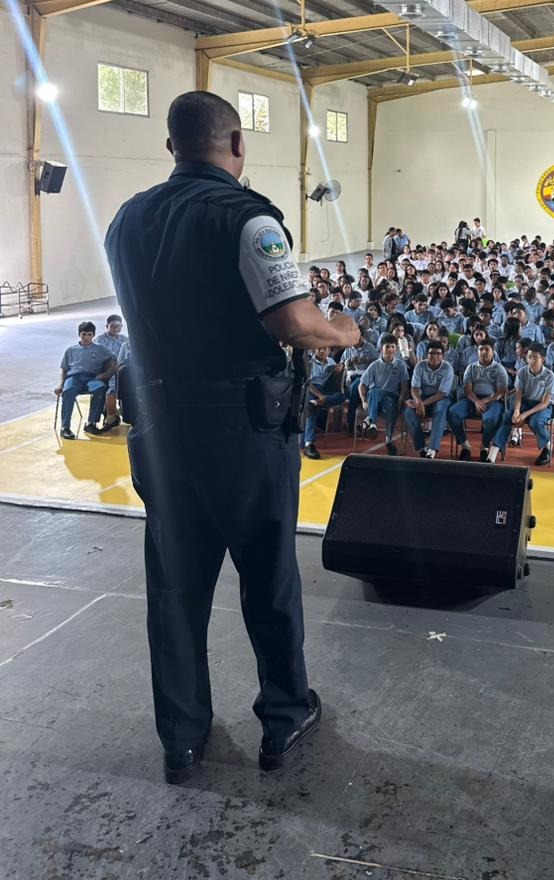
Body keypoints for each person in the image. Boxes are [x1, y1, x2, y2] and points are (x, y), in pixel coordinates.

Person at [104, 91, 361, 784]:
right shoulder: (250, 219)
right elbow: (295, 324)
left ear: (172, 147)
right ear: (238, 144)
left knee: (175, 589)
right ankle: (284, 715)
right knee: (267, 577)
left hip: (160, 430)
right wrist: (342, 330)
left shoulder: (126, 219)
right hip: (241, 430)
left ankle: (182, 739)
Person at [488, 342, 554, 466]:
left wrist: (524, 415)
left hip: (543, 406)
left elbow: (545, 403)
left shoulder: (549, 376)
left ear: (543, 359)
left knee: (535, 422)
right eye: (529, 357)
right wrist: (517, 411)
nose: (531, 360)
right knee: (508, 417)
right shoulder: (522, 372)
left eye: (535, 358)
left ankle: (548, 447)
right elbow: (518, 395)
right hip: (526, 402)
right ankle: (493, 453)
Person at [447, 340, 509, 461]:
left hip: (492, 401)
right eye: (481, 349)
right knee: (452, 412)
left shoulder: (499, 368)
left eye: (487, 349)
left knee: (492, 419)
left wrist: (485, 400)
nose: (483, 352)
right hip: (472, 399)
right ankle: (465, 446)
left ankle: (484, 446)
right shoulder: (471, 368)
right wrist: (476, 401)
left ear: (493, 352)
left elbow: (501, 392)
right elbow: (467, 390)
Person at [54, 321, 116, 439]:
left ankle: (91, 423)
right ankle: (65, 427)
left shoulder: (100, 349)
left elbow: (115, 360)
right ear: (79, 334)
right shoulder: (70, 351)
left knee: (101, 388)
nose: (86, 337)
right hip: (74, 378)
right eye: (83, 334)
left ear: (93, 335)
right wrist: (60, 384)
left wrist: (105, 374)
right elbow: (64, 370)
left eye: (89, 334)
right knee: (68, 391)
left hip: (92, 378)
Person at [358, 334, 409, 455]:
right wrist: (364, 401)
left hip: (392, 396)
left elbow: (404, 386)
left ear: (396, 349)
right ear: (382, 348)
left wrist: (401, 400)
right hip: (376, 400)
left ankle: (380, 431)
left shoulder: (401, 365)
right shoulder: (374, 365)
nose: (390, 349)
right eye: (387, 347)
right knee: (374, 392)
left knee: (390, 405)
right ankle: (375, 427)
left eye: (392, 347)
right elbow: (362, 385)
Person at [404, 341, 454, 459]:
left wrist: (421, 404)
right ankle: (422, 447)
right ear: (427, 355)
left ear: (443, 355)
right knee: (408, 412)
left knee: (440, 410)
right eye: (431, 353)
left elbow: (441, 394)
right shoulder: (420, 366)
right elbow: (414, 388)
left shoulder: (447, 368)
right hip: (423, 398)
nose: (434, 356)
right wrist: (418, 401)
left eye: (438, 354)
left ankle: (432, 448)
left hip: (440, 398)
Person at [93, 314, 128, 431]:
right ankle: (111, 417)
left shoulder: (125, 340)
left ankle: (121, 411)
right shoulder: (100, 340)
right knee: (111, 389)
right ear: (107, 326)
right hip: (105, 371)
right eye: (113, 326)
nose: (116, 329)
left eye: (119, 326)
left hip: (120, 371)